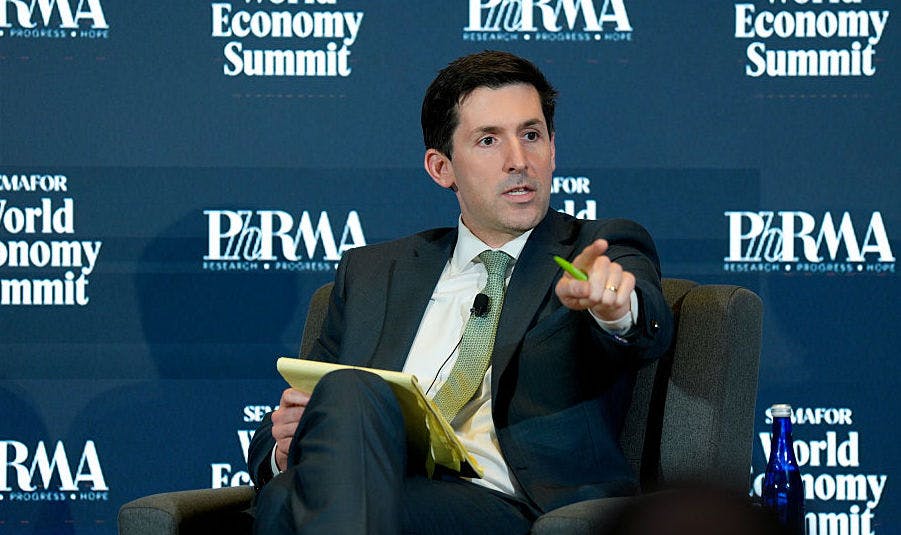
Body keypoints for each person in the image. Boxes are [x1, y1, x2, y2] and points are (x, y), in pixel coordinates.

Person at [248, 50, 674, 534]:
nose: (519, 161)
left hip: (511, 508)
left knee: (290, 501)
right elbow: (289, 412)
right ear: (441, 168)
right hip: (382, 488)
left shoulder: (596, 249)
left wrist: (615, 307)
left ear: (553, 149)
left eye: (531, 135)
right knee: (315, 440)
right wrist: (283, 447)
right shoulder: (372, 274)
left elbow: (645, 320)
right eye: (489, 140)